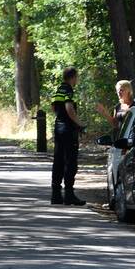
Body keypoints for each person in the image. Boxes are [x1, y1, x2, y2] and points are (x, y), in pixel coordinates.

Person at [50, 67, 86, 206]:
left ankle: (56, 195)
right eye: (77, 77)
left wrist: (61, 117)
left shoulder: (59, 88)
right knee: (71, 161)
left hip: (58, 128)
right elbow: (69, 108)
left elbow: (54, 107)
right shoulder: (69, 90)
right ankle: (69, 195)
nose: (77, 80)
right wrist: (80, 124)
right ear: (73, 77)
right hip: (68, 130)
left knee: (58, 159)